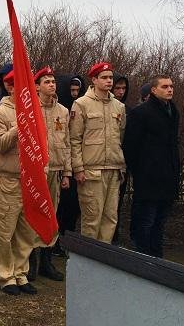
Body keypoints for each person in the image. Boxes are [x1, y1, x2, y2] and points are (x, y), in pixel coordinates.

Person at [0, 70, 38, 295]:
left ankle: (21, 273)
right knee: (5, 231)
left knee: (26, 231)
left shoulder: (34, 111)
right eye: (21, 86)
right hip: (9, 178)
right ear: (10, 87)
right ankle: (6, 275)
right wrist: (19, 127)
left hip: (30, 180)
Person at [123, 75, 180, 258]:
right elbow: (131, 145)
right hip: (148, 177)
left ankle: (157, 256)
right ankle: (143, 256)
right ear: (153, 90)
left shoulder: (173, 111)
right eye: (164, 86)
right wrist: (140, 171)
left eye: (171, 86)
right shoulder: (141, 113)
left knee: (160, 221)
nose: (169, 89)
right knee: (146, 220)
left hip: (167, 175)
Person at [69, 62, 126, 243]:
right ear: (94, 80)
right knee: (92, 218)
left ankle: (103, 262)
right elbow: (74, 139)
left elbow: (121, 135)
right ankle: (88, 264)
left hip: (113, 168)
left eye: (111, 77)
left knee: (110, 218)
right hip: (91, 170)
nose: (109, 81)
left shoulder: (119, 106)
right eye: (104, 78)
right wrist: (78, 168)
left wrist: (120, 164)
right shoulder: (81, 104)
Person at [32, 67, 70, 281]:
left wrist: (67, 172)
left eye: (53, 81)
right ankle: (30, 261)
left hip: (55, 169)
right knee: (33, 213)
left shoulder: (62, 111)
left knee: (51, 216)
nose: (51, 85)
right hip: (36, 171)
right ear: (37, 86)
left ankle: (46, 261)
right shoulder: (29, 107)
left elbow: (66, 143)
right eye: (46, 81)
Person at [54, 74, 85, 256]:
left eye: (77, 90)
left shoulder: (79, 108)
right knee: (60, 207)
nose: (74, 94)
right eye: (71, 90)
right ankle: (56, 242)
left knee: (73, 207)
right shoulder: (61, 111)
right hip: (62, 164)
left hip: (76, 163)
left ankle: (68, 240)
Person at [111, 74, 131, 245]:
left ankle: (113, 240)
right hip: (100, 162)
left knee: (115, 207)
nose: (120, 92)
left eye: (123, 88)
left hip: (120, 162)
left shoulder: (126, 109)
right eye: (117, 88)